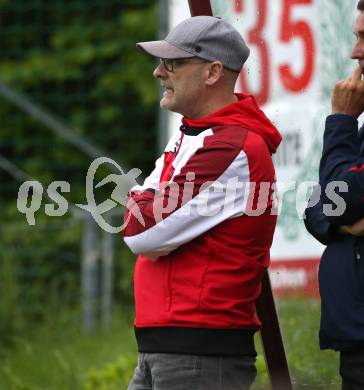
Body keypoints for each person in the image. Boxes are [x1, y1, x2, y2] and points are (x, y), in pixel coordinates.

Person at [122, 16, 281, 390]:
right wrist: (142, 199)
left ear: (212, 72)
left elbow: (141, 230)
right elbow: (142, 210)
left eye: (172, 63)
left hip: (199, 352)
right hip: (170, 347)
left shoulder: (229, 145)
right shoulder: (194, 133)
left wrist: (139, 197)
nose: (159, 72)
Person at [304, 1, 364, 388]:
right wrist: (342, 220)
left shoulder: (350, 119)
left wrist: (341, 120)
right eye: (357, 36)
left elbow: (337, 197)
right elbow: (315, 206)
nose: (355, 51)